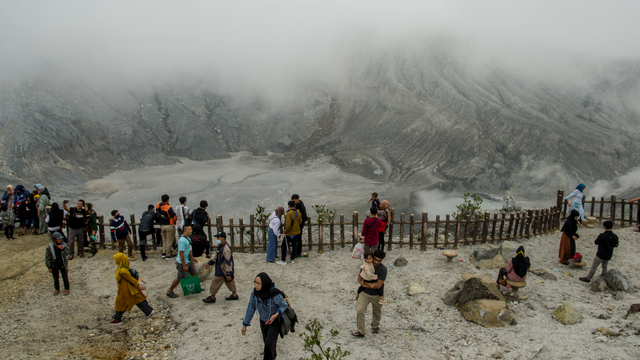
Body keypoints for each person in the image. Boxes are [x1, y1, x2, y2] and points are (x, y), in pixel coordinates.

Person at [241, 273, 289, 360]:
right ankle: (272, 355)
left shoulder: (274, 294)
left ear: (264, 283)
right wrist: (245, 324)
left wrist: (275, 315)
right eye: (255, 283)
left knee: (268, 343)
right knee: (268, 343)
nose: (256, 285)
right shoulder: (255, 294)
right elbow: (251, 308)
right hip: (263, 321)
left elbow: (284, 305)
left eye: (259, 283)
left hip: (275, 321)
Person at [111, 253, 154, 325]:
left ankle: (117, 319)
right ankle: (148, 311)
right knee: (138, 299)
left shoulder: (122, 271)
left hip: (126, 290)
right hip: (129, 289)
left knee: (120, 303)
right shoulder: (123, 268)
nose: (115, 262)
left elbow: (131, 279)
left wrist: (138, 286)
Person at [353, 249, 387, 337]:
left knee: (377, 312)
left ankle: (375, 325)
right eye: (374, 259)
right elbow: (359, 279)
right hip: (365, 292)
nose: (376, 262)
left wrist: (366, 284)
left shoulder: (383, 269)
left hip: (377, 294)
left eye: (378, 261)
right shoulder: (365, 266)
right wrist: (370, 285)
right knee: (360, 310)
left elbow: (378, 285)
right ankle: (361, 330)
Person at [203, 231, 238, 303]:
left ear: (223, 238)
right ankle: (234, 295)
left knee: (215, 283)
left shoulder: (226, 249)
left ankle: (212, 297)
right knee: (230, 282)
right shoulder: (221, 247)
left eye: (218, 238)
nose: (217, 239)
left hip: (222, 270)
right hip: (223, 269)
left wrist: (228, 273)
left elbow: (228, 262)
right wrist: (210, 262)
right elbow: (216, 256)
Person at [166, 224, 198, 298]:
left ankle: (196, 287)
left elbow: (189, 249)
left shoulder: (188, 238)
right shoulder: (182, 241)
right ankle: (170, 290)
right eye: (190, 229)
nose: (191, 231)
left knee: (194, 273)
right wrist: (184, 265)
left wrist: (192, 258)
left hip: (189, 260)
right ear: (186, 230)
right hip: (183, 262)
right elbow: (181, 253)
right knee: (180, 278)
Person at [278, 201, 301, 265]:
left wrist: (286, 231)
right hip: (297, 232)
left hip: (290, 233)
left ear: (289, 206)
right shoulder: (298, 212)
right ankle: (292, 258)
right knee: (294, 245)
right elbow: (300, 221)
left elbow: (288, 225)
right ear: (294, 205)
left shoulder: (289, 213)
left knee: (284, 245)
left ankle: (283, 259)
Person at [156, 194, 177, 259]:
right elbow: (174, 216)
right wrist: (174, 221)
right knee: (169, 240)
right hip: (169, 225)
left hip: (162, 225)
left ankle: (163, 252)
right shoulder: (168, 207)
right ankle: (168, 254)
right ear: (168, 200)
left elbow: (157, 212)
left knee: (164, 239)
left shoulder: (158, 205)